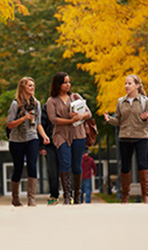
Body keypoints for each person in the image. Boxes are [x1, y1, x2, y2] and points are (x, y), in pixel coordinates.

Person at [104, 74, 148, 204]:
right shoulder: (121, 101)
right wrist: (110, 119)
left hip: (141, 136)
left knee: (142, 165)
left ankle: (146, 196)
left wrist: (146, 118)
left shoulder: (144, 101)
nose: (126, 86)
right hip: (125, 137)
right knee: (125, 167)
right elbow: (118, 120)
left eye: (129, 83)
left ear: (137, 85)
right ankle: (125, 196)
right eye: (125, 83)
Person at [47, 72, 92, 204]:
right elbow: (53, 119)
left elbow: (88, 113)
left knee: (76, 165)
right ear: (58, 84)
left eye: (69, 82)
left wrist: (80, 117)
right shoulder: (52, 101)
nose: (68, 85)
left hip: (78, 134)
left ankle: (77, 196)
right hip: (61, 135)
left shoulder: (76, 97)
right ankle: (67, 195)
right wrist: (69, 120)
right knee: (65, 162)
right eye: (65, 82)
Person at [6, 77, 50, 207]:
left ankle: (31, 199)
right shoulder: (15, 104)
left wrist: (44, 136)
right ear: (23, 87)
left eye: (33, 85)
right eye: (30, 85)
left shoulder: (36, 104)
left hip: (32, 137)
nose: (32, 88)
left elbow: (38, 124)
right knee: (18, 168)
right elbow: (9, 124)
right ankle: (15, 198)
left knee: (32, 165)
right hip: (16, 140)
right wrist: (24, 118)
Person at [39, 103, 60, 205]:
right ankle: (54, 194)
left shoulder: (70, 103)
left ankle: (70, 194)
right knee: (52, 171)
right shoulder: (47, 107)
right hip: (50, 144)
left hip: (65, 142)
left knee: (67, 169)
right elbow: (41, 125)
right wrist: (41, 146)